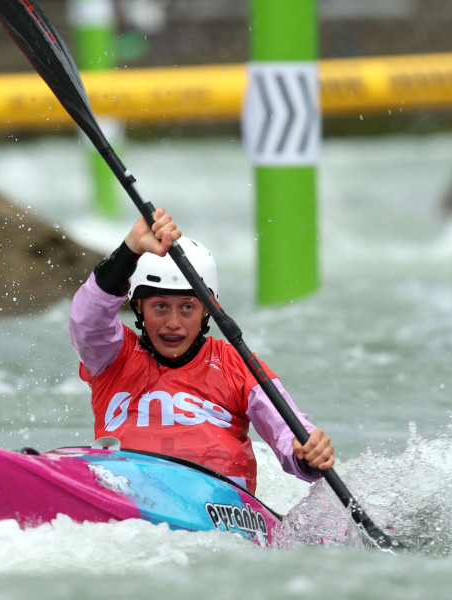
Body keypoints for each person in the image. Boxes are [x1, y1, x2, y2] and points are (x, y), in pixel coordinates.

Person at [69, 206, 335, 494]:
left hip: (218, 506)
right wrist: (130, 248)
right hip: (123, 491)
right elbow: (87, 319)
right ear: (139, 308)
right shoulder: (112, 356)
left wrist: (307, 453)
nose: (173, 323)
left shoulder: (238, 364)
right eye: (160, 306)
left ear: (206, 311)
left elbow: (287, 430)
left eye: (187, 307)